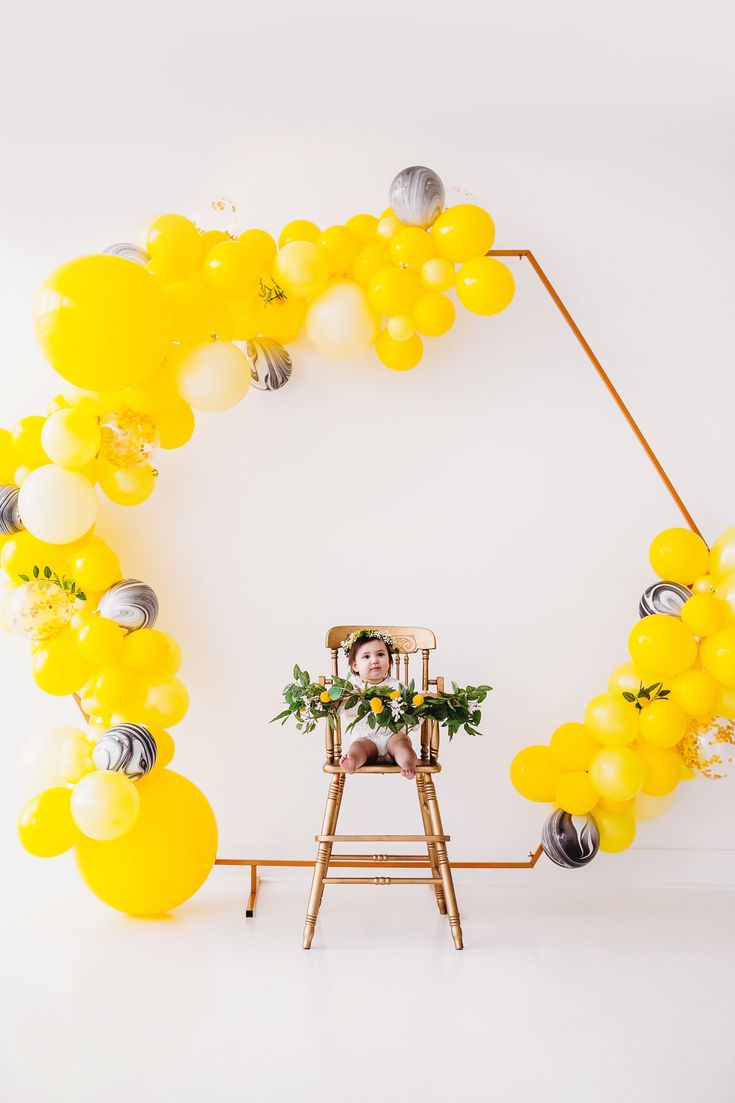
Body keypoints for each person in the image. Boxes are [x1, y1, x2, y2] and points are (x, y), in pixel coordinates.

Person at [338, 629, 418, 780]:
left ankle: (407, 762)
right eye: (366, 656)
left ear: (389, 660)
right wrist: (333, 701)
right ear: (355, 665)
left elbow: (412, 711)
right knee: (357, 748)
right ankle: (352, 761)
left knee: (403, 744)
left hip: (392, 736)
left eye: (380, 654)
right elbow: (337, 708)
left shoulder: (397, 686)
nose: (374, 660)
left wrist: (419, 701)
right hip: (365, 739)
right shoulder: (352, 689)